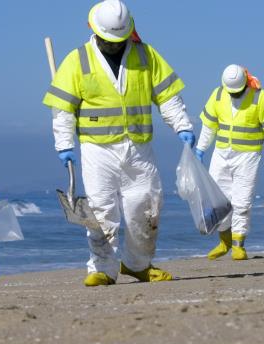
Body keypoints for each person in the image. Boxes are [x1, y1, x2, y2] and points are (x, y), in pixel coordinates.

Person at [42, 0, 194, 286]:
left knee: (146, 206)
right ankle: (102, 268)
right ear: (94, 30)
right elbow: (62, 110)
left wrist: (182, 125)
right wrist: (63, 144)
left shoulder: (145, 55)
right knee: (100, 210)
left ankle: (138, 264)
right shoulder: (78, 59)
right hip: (97, 149)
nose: (114, 45)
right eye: (109, 40)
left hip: (138, 147)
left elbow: (168, 96)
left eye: (118, 40)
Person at [194, 65, 264, 260]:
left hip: (248, 157)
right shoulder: (218, 95)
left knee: (242, 201)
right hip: (221, 154)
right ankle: (224, 242)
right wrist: (201, 150)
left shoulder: (260, 97)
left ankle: (238, 245)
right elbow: (208, 126)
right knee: (219, 201)